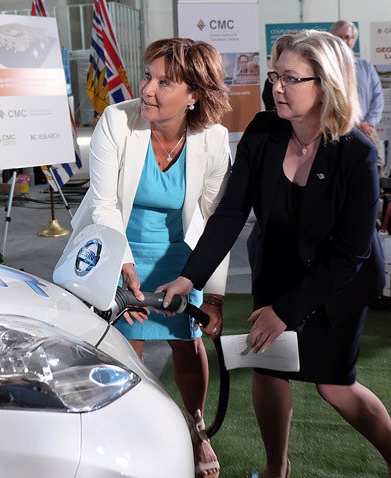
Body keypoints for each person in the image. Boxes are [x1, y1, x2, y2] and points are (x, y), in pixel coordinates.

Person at [159, 30, 391, 478]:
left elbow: (350, 254)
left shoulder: (358, 154)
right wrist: (191, 278)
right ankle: (274, 470)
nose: (276, 88)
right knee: (268, 370)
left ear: (326, 85)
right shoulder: (263, 132)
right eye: (274, 75)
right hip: (278, 266)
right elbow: (229, 214)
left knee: (334, 387)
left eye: (290, 78)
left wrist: (285, 311)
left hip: (338, 281)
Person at [68, 37, 232, 478]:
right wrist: (123, 268)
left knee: (187, 343)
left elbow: (219, 221)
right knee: (123, 346)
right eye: (147, 76)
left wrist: (213, 296)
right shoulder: (116, 121)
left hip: (179, 255)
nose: (148, 89)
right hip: (115, 247)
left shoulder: (213, 138)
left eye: (165, 82)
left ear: (195, 95)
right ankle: (125, 431)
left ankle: (197, 430)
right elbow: (103, 205)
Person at [330, 20, 385, 174]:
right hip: (339, 130)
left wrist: (368, 123)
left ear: (354, 40)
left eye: (348, 37)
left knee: (373, 170)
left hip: (368, 130)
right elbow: (330, 101)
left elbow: (378, 98)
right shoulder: (327, 69)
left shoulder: (366, 67)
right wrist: (354, 125)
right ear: (332, 38)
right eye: (339, 37)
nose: (344, 41)